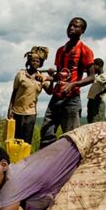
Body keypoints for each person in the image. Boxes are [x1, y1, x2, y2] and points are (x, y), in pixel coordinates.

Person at [39, 17, 95, 149]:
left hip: (71, 99)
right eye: (70, 25)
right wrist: (48, 77)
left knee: (72, 137)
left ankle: (72, 167)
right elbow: (60, 76)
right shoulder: (60, 50)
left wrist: (73, 85)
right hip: (56, 97)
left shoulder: (85, 50)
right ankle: (45, 165)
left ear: (83, 31)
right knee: (47, 133)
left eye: (76, 26)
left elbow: (92, 77)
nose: (71, 28)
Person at [7, 46, 53, 145]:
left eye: (37, 61)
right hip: (17, 112)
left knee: (27, 141)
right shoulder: (21, 74)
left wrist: (51, 78)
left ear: (40, 63)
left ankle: (25, 159)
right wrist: (10, 110)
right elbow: (14, 92)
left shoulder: (41, 77)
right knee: (15, 139)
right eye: (32, 61)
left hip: (31, 113)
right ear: (28, 62)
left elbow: (50, 91)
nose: (35, 63)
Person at [87, 58, 106, 123]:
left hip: (97, 102)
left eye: (93, 66)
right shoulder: (97, 76)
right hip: (92, 101)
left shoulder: (103, 76)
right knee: (91, 121)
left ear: (98, 66)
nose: (92, 68)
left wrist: (99, 94)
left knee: (96, 121)